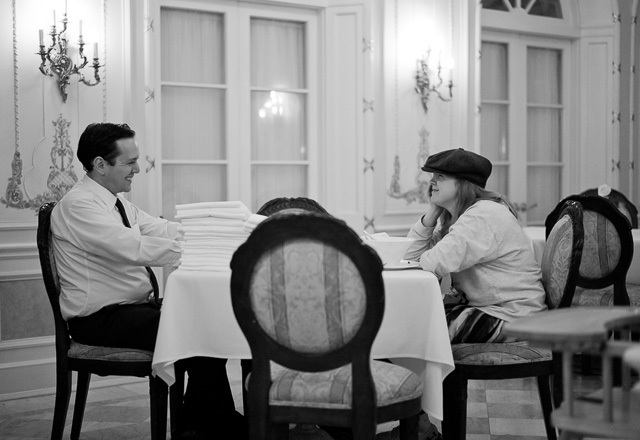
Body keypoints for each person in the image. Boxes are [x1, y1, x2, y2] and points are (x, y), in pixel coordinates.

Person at [51, 122, 246, 440]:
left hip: (129, 310)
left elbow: (159, 228)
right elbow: (128, 246)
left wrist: (216, 233)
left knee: (208, 318)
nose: (137, 169)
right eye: (129, 162)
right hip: (99, 318)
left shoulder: (116, 201)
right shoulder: (79, 205)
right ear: (101, 164)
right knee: (198, 325)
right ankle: (208, 423)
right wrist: (191, 250)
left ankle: (202, 421)